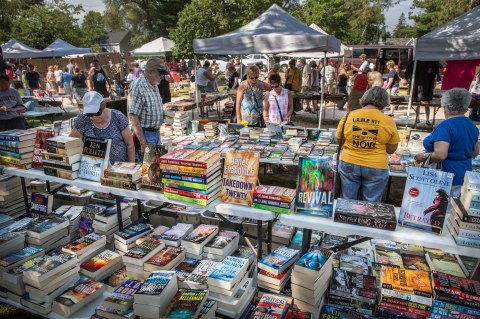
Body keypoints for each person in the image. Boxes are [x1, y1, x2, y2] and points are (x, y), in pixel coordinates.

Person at [336, 87, 400, 202]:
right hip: (376, 165)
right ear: (384, 102)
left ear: (364, 98)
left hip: (349, 161)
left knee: (347, 200)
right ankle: (366, 219)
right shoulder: (388, 121)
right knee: (371, 204)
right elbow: (391, 149)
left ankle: (346, 218)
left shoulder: (348, 116)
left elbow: (340, 140)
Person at [414, 88, 479, 197]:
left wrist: (423, 156)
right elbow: (475, 152)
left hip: (444, 177)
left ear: (445, 107)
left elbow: (440, 155)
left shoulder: (446, 126)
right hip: (464, 174)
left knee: (440, 209)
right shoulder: (472, 126)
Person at [70, 91, 135, 163]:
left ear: (104, 107)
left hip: (118, 168)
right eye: (90, 114)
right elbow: (70, 142)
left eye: (97, 113)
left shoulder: (117, 117)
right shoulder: (83, 119)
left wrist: (130, 167)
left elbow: (130, 144)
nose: (93, 117)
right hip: (93, 169)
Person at [128, 57, 167, 162]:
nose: (162, 76)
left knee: (156, 168)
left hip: (155, 133)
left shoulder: (154, 84)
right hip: (145, 134)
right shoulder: (138, 86)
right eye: (160, 73)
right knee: (149, 170)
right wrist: (143, 143)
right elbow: (133, 116)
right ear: (150, 72)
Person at [263, 73, 293, 173]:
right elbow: (265, 109)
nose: (275, 88)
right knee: (270, 144)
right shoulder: (269, 94)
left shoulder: (287, 93)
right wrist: (266, 118)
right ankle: (269, 166)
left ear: (281, 83)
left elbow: (291, 107)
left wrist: (287, 115)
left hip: (284, 123)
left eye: (276, 86)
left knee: (283, 144)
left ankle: (281, 163)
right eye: (272, 86)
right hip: (272, 123)